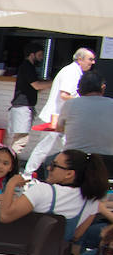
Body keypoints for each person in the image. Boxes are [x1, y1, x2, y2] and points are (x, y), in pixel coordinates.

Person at [26, 47, 97, 175]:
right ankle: (27, 174)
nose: (93, 62)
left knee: (65, 149)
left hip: (62, 118)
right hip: (56, 117)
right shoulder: (71, 72)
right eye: (90, 59)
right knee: (45, 148)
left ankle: (56, 174)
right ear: (80, 59)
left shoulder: (74, 71)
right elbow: (64, 95)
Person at [6, 41, 49, 155]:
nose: (41, 58)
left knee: (18, 138)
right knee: (21, 140)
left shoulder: (27, 67)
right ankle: (11, 163)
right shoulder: (27, 67)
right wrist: (54, 83)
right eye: (39, 55)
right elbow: (36, 85)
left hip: (21, 107)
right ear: (32, 54)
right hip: (22, 107)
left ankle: (10, 162)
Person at [57, 70, 113, 158]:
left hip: (74, 158)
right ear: (103, 88)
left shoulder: (70, 104)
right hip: (105, 159)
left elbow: (59, 128)